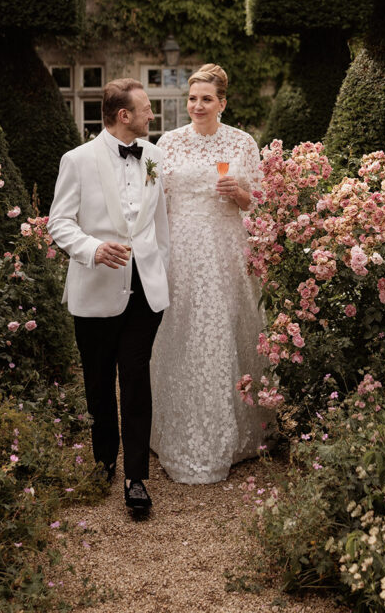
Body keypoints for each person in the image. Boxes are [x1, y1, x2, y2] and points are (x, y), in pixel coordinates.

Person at [47, 78, 169, 515]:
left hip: (145, 292)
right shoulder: (76, 160)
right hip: (96, 290)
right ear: (124, 116)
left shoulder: (155, 155)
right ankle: (103, 464)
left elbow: (161, 224)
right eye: (147, 108)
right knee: (98, 383)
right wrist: (94, 249)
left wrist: (161, 272)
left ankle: (136, 478)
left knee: (136, 379)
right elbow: (59, 223)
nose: (151, 115)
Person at [150, 63, 267, 484]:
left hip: (224, 250)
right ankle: (173, 432)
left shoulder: (242, 143)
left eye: (206, 99)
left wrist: (240, 194)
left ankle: (234, 436)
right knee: (179, 333)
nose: (197, 106)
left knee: (222, 332)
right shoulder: (168, 143)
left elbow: (261, 202)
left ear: (222, 102)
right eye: (193, 98)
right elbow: (155, 202)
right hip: (180, 251)